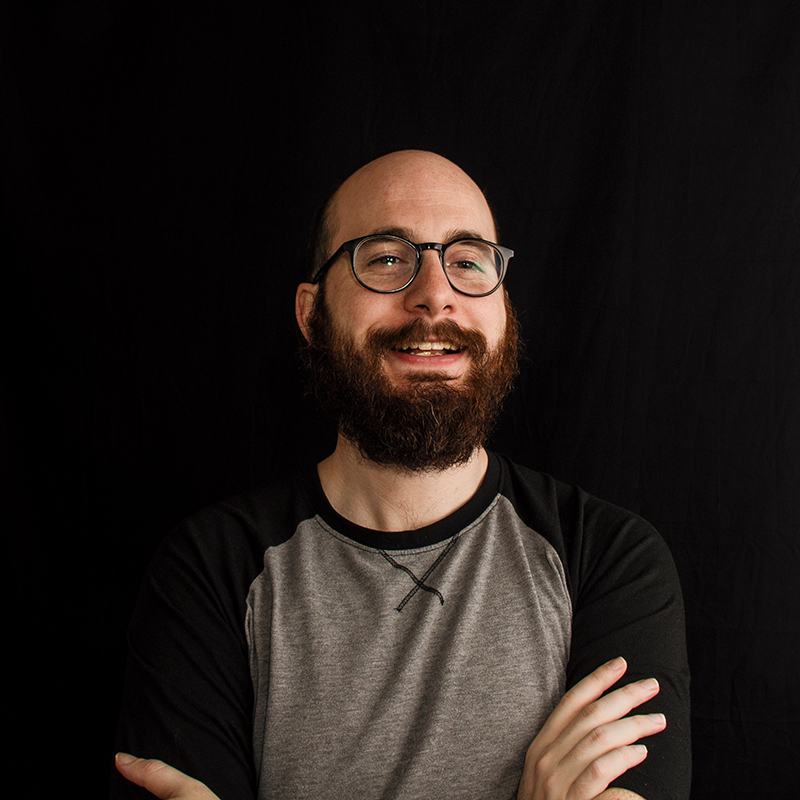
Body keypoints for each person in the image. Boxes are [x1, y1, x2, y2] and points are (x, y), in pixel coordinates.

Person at [111, 150, 690, 800]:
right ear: (310, 313)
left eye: (468, 261)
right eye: (386, 259)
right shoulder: (211, 571)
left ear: (503, 307)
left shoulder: (607, 560)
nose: (436, 294)